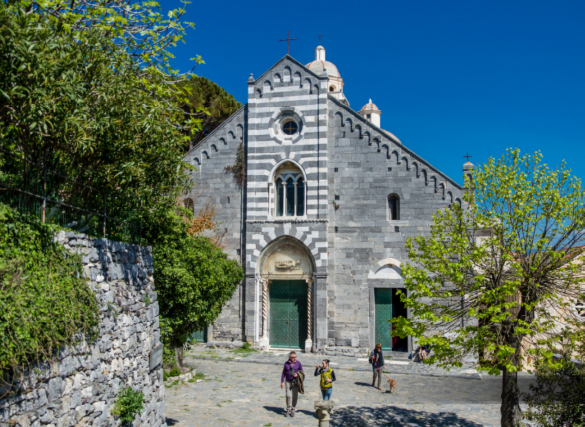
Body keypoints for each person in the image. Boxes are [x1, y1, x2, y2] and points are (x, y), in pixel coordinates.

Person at [281, 351, 303, 417]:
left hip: (295, 382)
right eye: (293, 357)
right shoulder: (286, 364)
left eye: (295, 357)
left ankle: (293, 409)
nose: (295, 358)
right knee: (288, 395)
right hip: (288, 381)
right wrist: (282, 381)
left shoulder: (298, 363)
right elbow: (283, 373)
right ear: (290, 357)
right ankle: (288, 409)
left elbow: (302, 372)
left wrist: (297, 375)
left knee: (294, 396)